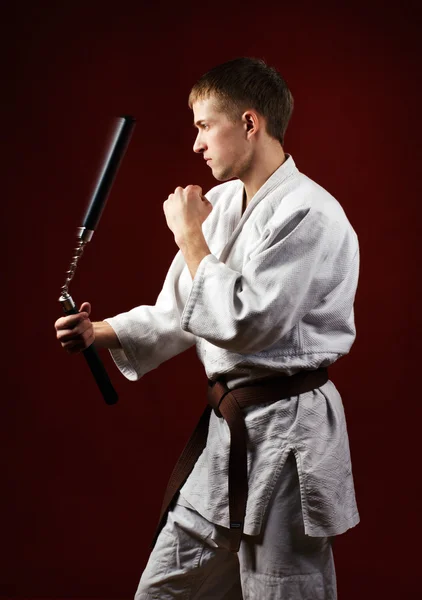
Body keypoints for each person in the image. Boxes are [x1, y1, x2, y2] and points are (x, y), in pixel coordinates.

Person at [55, 57, 360, 599]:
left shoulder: (309, 212)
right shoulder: (218, 205)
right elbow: (182, 310)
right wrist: (98, 332)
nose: (196, 144)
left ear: (248, 123)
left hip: (289, 438)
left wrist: (190, 239)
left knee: (283, 590)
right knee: (164, 590)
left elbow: (248, 323)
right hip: (230, 437)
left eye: (202, 125)